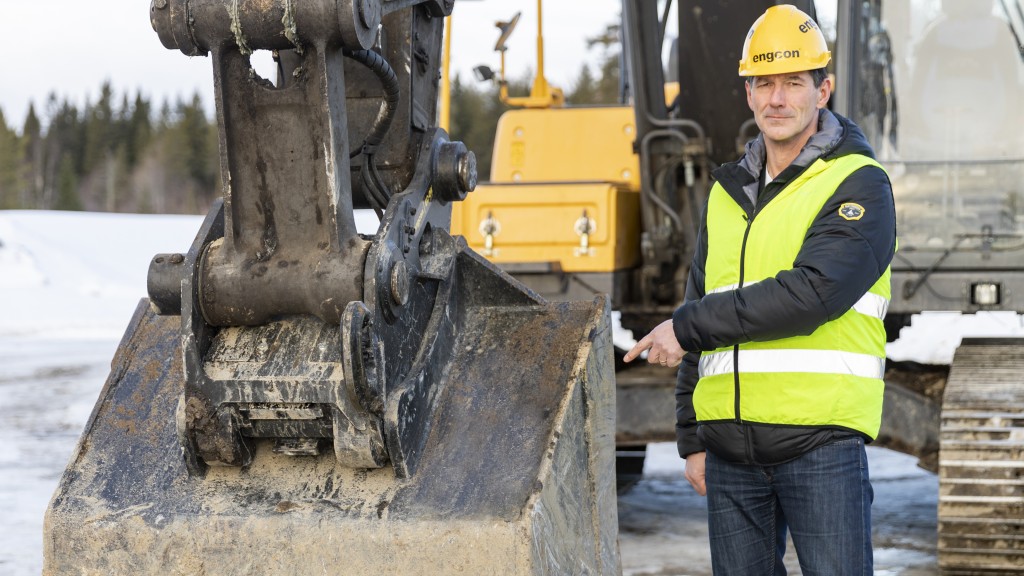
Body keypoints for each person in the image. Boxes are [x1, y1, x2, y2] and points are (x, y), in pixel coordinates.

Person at [624, 5, 896, 574]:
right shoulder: (726, 194)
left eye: (793, 82)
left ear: (823, 90)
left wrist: (687, 327)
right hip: (730, 458)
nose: (777, 99)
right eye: (764, 83)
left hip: (819, 445)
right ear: (747, 94)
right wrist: (692, 435)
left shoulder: (858, 185)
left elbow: (811, 295)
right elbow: (697, 307)